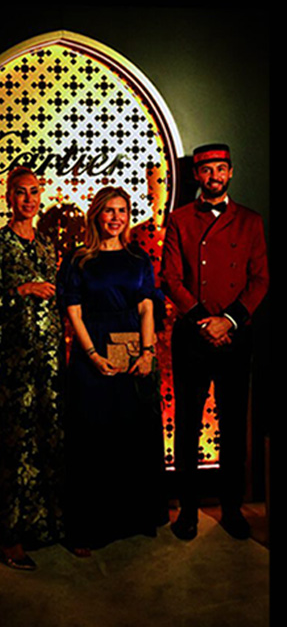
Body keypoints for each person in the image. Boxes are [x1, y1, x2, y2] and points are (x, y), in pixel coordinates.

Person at [162, 144, 268, 542]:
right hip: (192, 336)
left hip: (235, 337)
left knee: (234, 425)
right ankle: (188, 512)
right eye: (207, 170)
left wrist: (228, 321)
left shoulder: (251, 221)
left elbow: (261, 279)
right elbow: (170, 278)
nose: (214, 176)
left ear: (231, 172)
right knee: (187, 426)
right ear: (196, 176)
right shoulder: (179, 220)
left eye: (221, 169)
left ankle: (232, 508)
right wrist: (204, 322)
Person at [57, 186, 167, 553]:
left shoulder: (139, 259)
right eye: (109, 210)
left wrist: (148, 353)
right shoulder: (78, 259)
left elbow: (147, 308)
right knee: (92, 441)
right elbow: (73, 312)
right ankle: (88, 529)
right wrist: (91, 354)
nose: (116, 217)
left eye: (122, 210)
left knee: (131, 436)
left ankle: (132, 519)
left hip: (133, 352)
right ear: (96, 215)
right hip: (92, 353)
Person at [0, 168, 63, 570]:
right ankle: (10, 537)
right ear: (9, 197)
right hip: (13, 361)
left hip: (50, 359)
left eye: (34, 192)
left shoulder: (46, 244)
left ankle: (44, 526)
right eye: (21, 192)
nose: (28, 199)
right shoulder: (1, 243)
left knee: (48, 438)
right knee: (15, 444)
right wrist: (19, 290)